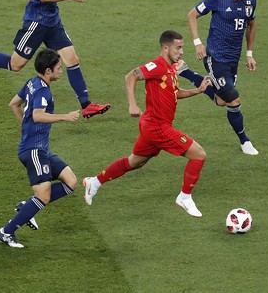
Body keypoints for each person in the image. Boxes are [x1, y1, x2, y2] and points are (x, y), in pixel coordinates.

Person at [83, 30, 211, 218]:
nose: (182, 52)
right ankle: (185, 197)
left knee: (135, 162)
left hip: (151, 125)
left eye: (182, 47)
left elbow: (174, 93)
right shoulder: (157, 66)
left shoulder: (170, 68)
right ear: (166, 48)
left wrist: (198, 90)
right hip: (158, 126)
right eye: (178, 48)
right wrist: (132, 104)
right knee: (199, 154)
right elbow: (130, 76)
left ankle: (95, 182)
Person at [0, 49, 80, 248]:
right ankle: (6, 232)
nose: (61, 70)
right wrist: (64, 117)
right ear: (48, 71)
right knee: (44, 195)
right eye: (59, 68)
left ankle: (27, 207)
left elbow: (14, 104)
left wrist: (26, 129)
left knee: (71, 182)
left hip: (39, 148)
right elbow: (38, 115)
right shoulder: (43, 90)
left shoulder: (32, 83)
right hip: (34, 150)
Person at [178, 0, 259, 155]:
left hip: (233, 60)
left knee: (221, 100)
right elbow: (191, 15)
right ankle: (244, 141)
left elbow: (251, 25)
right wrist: (198, 43)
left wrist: (249, 54)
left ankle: (185, 71)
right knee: (233, 100)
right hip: (215, 57)